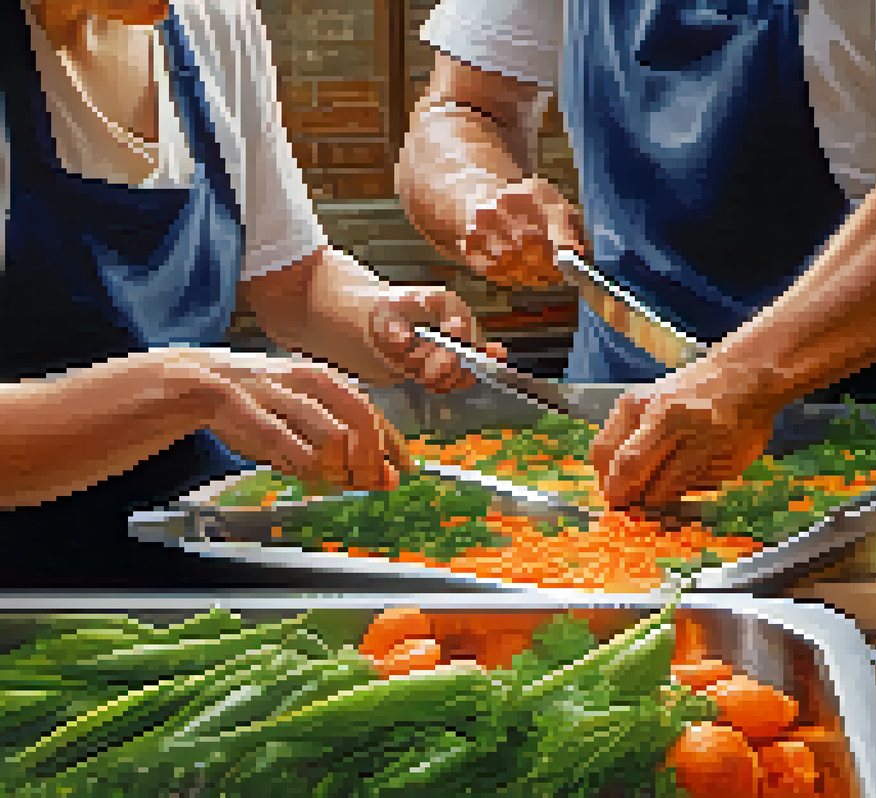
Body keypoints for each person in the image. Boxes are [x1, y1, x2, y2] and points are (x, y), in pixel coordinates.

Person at [396, 0, 876, 539]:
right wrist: (480, 198)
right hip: (610, 450)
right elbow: (461, 109)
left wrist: (741, 378)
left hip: (873, 473)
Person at [0, 0, 503, 587]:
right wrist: (185, 388)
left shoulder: (213, 19)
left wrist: (379, 318)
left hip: (198, 550)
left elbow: (292, 282)